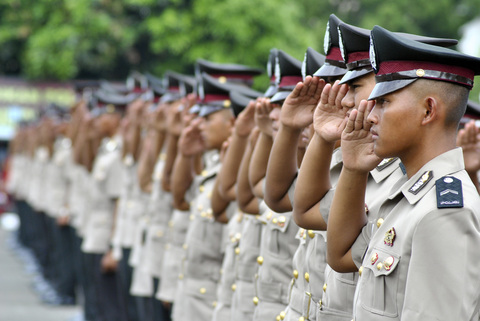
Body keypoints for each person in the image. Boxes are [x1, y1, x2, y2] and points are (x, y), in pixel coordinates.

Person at [326, 25, 480, 320]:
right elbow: (340, 256)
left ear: (428, 111)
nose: (370, 116)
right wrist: (354, 168)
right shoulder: (409, 196)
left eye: (384, 102)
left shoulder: (444, 211)